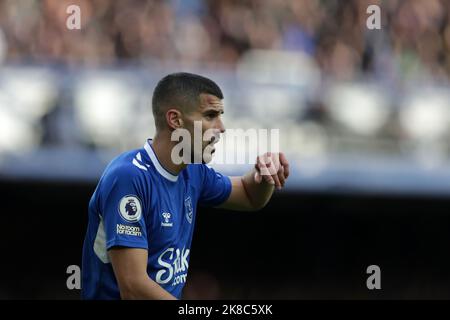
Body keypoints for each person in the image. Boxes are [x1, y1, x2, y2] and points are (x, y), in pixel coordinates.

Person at [81, 72, 290, 299]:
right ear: (175, 120)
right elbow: (133, 288)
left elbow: (250, 196)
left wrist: (263, 175)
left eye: (220, 115)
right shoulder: (128, 177)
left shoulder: (192, 171)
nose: (221, 127)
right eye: (210, 115)